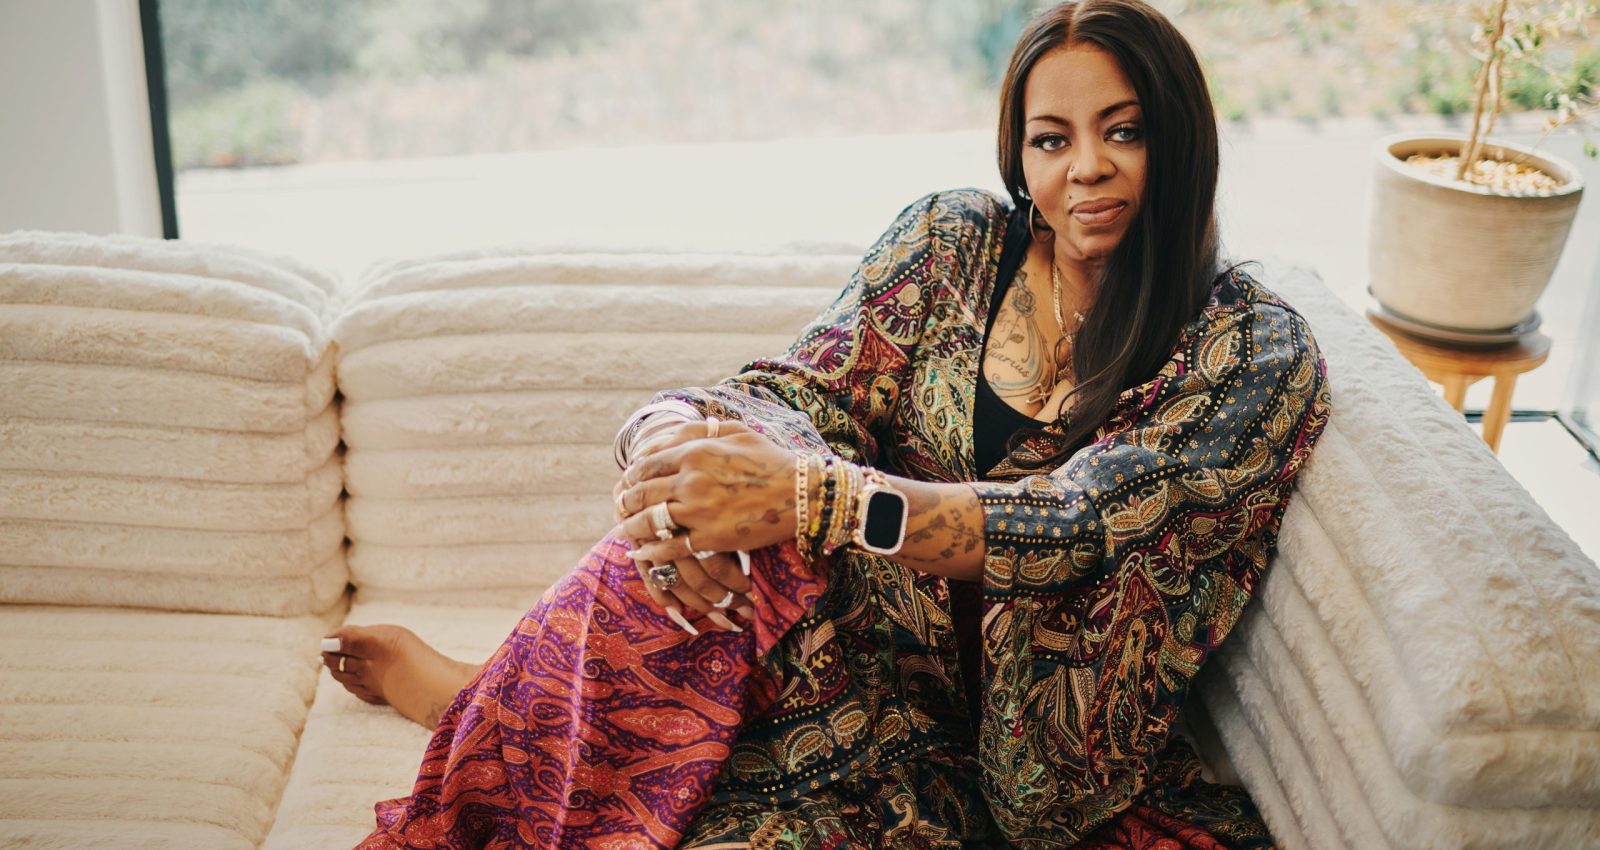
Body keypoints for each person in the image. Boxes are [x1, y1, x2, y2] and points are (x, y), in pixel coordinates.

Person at [324, 1, 1333, 847]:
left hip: (1033, 770)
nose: (1087, 169)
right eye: (1050, 138)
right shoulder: (954, 244)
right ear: (1017, 154)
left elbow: (1074, 529)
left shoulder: (1248, 352)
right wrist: (666, 451)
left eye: (1124, 130)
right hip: (854, 673)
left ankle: (489, 711)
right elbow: (801, 394)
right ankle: (506, 728)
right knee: (666, 550)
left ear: (1181, 134)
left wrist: (809, 498)